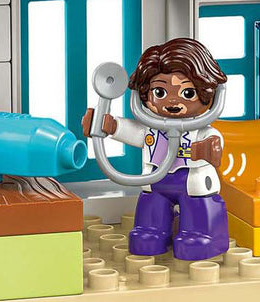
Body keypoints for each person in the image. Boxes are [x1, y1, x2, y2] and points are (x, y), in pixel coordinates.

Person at [81, 38, 229, 261]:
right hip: (156, 182)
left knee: (199, 206)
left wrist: (209, 150)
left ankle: (202, 235)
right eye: (160, 92)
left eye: (187, 93)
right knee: (151, 205)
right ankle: (151, 231)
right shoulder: (152, 130)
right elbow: (133, 132)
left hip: (192, 184)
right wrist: (109, 125)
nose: (172, 101)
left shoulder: (201, 132)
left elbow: (214, 143)